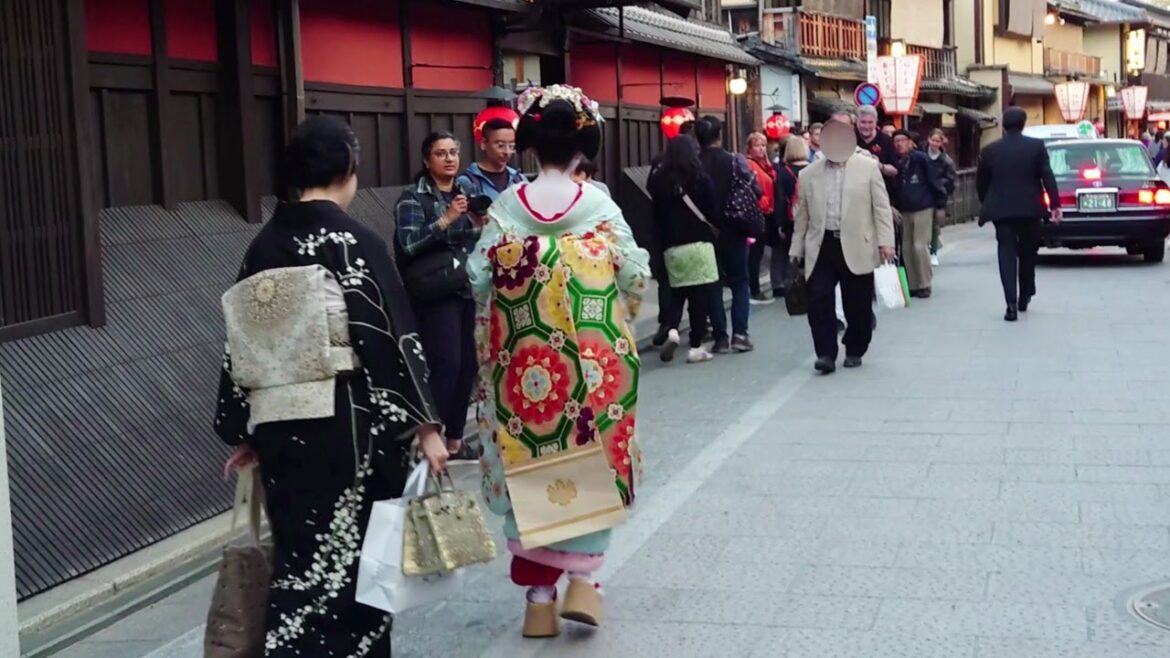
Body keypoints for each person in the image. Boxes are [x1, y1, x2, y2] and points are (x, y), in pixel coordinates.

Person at [214, 115, 448, 656]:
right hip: (347, 425)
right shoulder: (351, 242)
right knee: (356, 562)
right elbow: (389, 337)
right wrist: (424, 425)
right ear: (348, 170)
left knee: (299, 557)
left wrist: (244, 424)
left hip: (279, 428)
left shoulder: (262, 247)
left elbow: (243, 344)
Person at [468, 85, 650, 638]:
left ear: (530, 143)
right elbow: (635, 273)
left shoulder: (506, 207)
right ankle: (586, 586)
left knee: (529, 455)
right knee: (593, 452)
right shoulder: (596, 204)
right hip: (593, 362)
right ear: (585, 144)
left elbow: (477, 277)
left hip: (523, 366)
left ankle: (539, 600)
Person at [396, 132, 483, 462]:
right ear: (426, 161)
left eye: (453, 153)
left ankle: (456, 440)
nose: (449, 159)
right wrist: (445, 220)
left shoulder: (465, 193)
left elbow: (472, 239)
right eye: (440, 153)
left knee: (468, 366)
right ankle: (428, 438)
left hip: (465, 285)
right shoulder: (412, 198)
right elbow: (407, 244)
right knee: (446, 363)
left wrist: (479, 224)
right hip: (434, 291)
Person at [790, 120, 896, 374]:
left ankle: (855, 347)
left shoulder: (868, 168)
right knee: (819, 301)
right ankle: (825, 352)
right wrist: (796, 250)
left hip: (858, 242)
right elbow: (801, 216)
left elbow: (881, 208)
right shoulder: (808, 174)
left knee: (857, 303)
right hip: (821, 244)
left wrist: (886, 242)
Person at [976, 106, 1062, 322]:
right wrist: (1055, 204)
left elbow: (981, 182)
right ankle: (1025, 293)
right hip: (1030, 208)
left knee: (1005, 252)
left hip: (1001, 210)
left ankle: (1010, 304)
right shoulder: (1035, 147)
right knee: (1027, 252)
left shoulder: (990, 150)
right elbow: (1047, 175)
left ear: (1004, 125)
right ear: (1023, 124)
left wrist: (987, 202)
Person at [649, 134, 720, 364]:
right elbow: (712, 212)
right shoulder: (701, 179)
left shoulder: (659, 182)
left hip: (672, 247)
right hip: (699, 245)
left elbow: (655, 217)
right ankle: (696, 346)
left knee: (677, 294)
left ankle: (671, 330)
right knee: (699, 297)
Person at [697, 115, 757, 353]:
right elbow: (753, 188)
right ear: (720, 135)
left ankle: (720, 337)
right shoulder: (734, 161)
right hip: (734, 227)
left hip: (704, 230)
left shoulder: (692, 163)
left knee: (712, 283)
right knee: (740, 281)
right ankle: (740, 334)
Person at [650, 120, 696, 350]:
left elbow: (651, 194)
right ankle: (699, 331)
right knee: (695, 286)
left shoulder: (659, 171)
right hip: (692, 235)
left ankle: (666, 325)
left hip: (664, 233)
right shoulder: (696, 171)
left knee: (666, 283)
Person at [892, 129, 947, 299]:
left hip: (923, 206)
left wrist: (940, 205)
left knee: (919, 245)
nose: (899, 144)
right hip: (904, 208)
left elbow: (935, 181)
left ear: (910, 142)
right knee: (906, 247)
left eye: (902, 140)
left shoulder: (921, 158)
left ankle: (924, 283)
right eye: (896, 141)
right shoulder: (896, 162)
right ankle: (913, 284)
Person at [772, 134, 811, 298]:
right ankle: (811, 284)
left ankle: (791, 285)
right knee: (811, 251)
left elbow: (780, 199)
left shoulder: (783, 172)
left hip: (791, 217)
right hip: (812, 216)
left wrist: (779, 223)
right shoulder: (814, 168)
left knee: (790, 252)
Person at [457, 117, 527, 203]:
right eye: (500, 145)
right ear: (483, 144)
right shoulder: (468, 181)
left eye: (511, 146)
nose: (507, 152)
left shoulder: (519, 180)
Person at [744, 132, 778, 304]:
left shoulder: (765, 164)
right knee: (754, 253)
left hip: (766, 211)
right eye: (757, 145)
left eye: (763, 145)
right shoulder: (749, 164)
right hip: (756, 213)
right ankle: (754, 289)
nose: (761, 148)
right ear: (749, 147)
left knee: (758, 252)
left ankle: (754, 287)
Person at [925, 129, 957, 266]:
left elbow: (951, 180)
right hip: (921, 193)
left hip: (937, 196)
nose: (934, 143)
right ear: (928, 139)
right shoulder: (921, 154)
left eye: (937, 141)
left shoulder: (946, 161)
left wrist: (937, 183)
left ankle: (933, 252)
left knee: (934, 226)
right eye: (933, 140)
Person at [857, 106, 900, 198]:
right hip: (856, 193)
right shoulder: (850, 138)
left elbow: (895, 170)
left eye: (870, 122)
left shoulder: (886, 140)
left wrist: (880, 166)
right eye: (863, 122)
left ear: (876, 122)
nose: (866, 126)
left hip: (881, 193)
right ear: (857, 122)